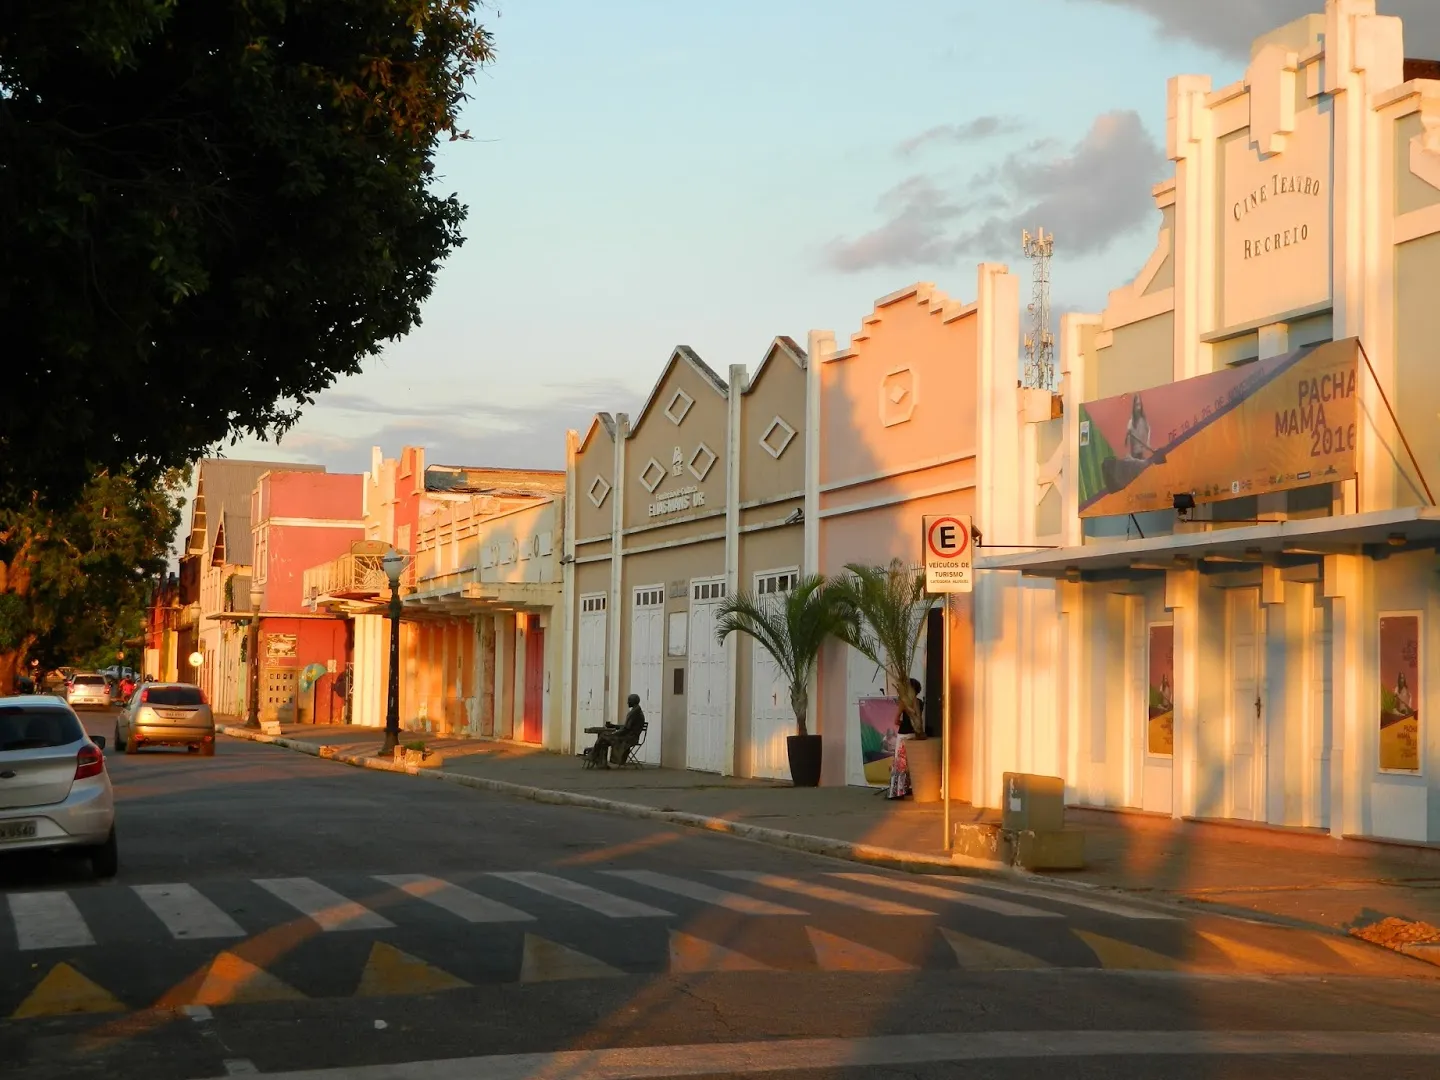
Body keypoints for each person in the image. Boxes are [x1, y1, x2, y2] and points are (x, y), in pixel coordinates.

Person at [887, 678, 924, 800]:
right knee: (910, 764)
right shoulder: (920, 702)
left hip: (903, 734)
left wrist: (902, 723)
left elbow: (896, 720)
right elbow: (918, 719)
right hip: (914, 734)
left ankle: (897, 791)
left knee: (900, 763)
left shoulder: (903, 702)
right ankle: (908, 788)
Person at [586, 693, 646, 768]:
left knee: (603, 736)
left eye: (629, 701)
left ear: (633, 701)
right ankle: (601, 762)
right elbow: (627, 727)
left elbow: (626, 729)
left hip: (629, 738)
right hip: (629, 736)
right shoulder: (636, 711)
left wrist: (614, 734)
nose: (627, 702)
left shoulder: (634, 713)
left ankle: (593, 755)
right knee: (604, 740)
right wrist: (614, 726)